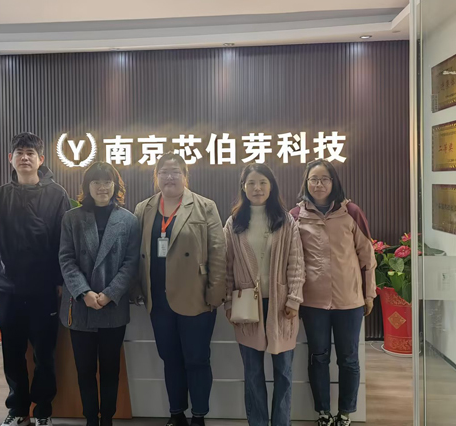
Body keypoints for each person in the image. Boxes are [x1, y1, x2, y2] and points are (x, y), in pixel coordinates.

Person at [0, 132, 71, 426]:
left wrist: (60, 282)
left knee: (45, 354)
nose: (25, 157)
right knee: (13, 353)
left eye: (30, 153)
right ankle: (18, 409)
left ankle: (43, 410)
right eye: (19, 152)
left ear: (41, 159)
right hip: (7, 289)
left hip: (44, 290)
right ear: (11, 158)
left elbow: (64, 243)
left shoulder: (57, 195)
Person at [133, 153, 226, 426]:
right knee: (170, 358)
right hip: (158, 300)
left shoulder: (204, 206)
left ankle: (198, 415)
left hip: (196, 298)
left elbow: (218, 252)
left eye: (175, 172)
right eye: (164, 172)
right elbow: (134, 253)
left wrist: (215, 293)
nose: (169, 177)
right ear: (156, 176)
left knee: (197, 359)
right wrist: (136, 289)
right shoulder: (144, 208)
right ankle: (176, 414)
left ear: (185, 176)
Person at [290, 159, 376, 426]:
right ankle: (323, 413)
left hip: (349, 300)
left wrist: (369, 294)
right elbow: (292, 260)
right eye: (313, 179)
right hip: (312, 302)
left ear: (333, 182)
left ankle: (345, 414)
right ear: (306, 183)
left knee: (348, 358)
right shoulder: (296, 215)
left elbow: (367, 256)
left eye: (324, 179)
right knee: (318, 357)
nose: (319, 184)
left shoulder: (351, 212)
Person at [59, 162, 140, 426]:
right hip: (80, 306)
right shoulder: (72, 218)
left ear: (115, 185)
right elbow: (66, 259)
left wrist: (109, 294)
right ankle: (90, 419)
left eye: (107, 182)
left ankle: (107, 419)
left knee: (110, 370)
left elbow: (131, 264)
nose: (102, 187)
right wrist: (84, 292)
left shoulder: (129, 220)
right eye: (96, 182)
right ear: (87, 186)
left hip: (112, 306)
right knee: (84, 370)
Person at [223, 163, 305, 426]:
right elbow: (226, 266)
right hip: (246, 307)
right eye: (251, 183)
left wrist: (294, 299)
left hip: (282, 307)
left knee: (284, 372)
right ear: (243, 187)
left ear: (271, 186)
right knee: (253, 373)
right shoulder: (234, 222)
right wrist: (228, 302)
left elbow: (296, 263)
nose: (257, 188)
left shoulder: (286, 220)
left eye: (262, 182)